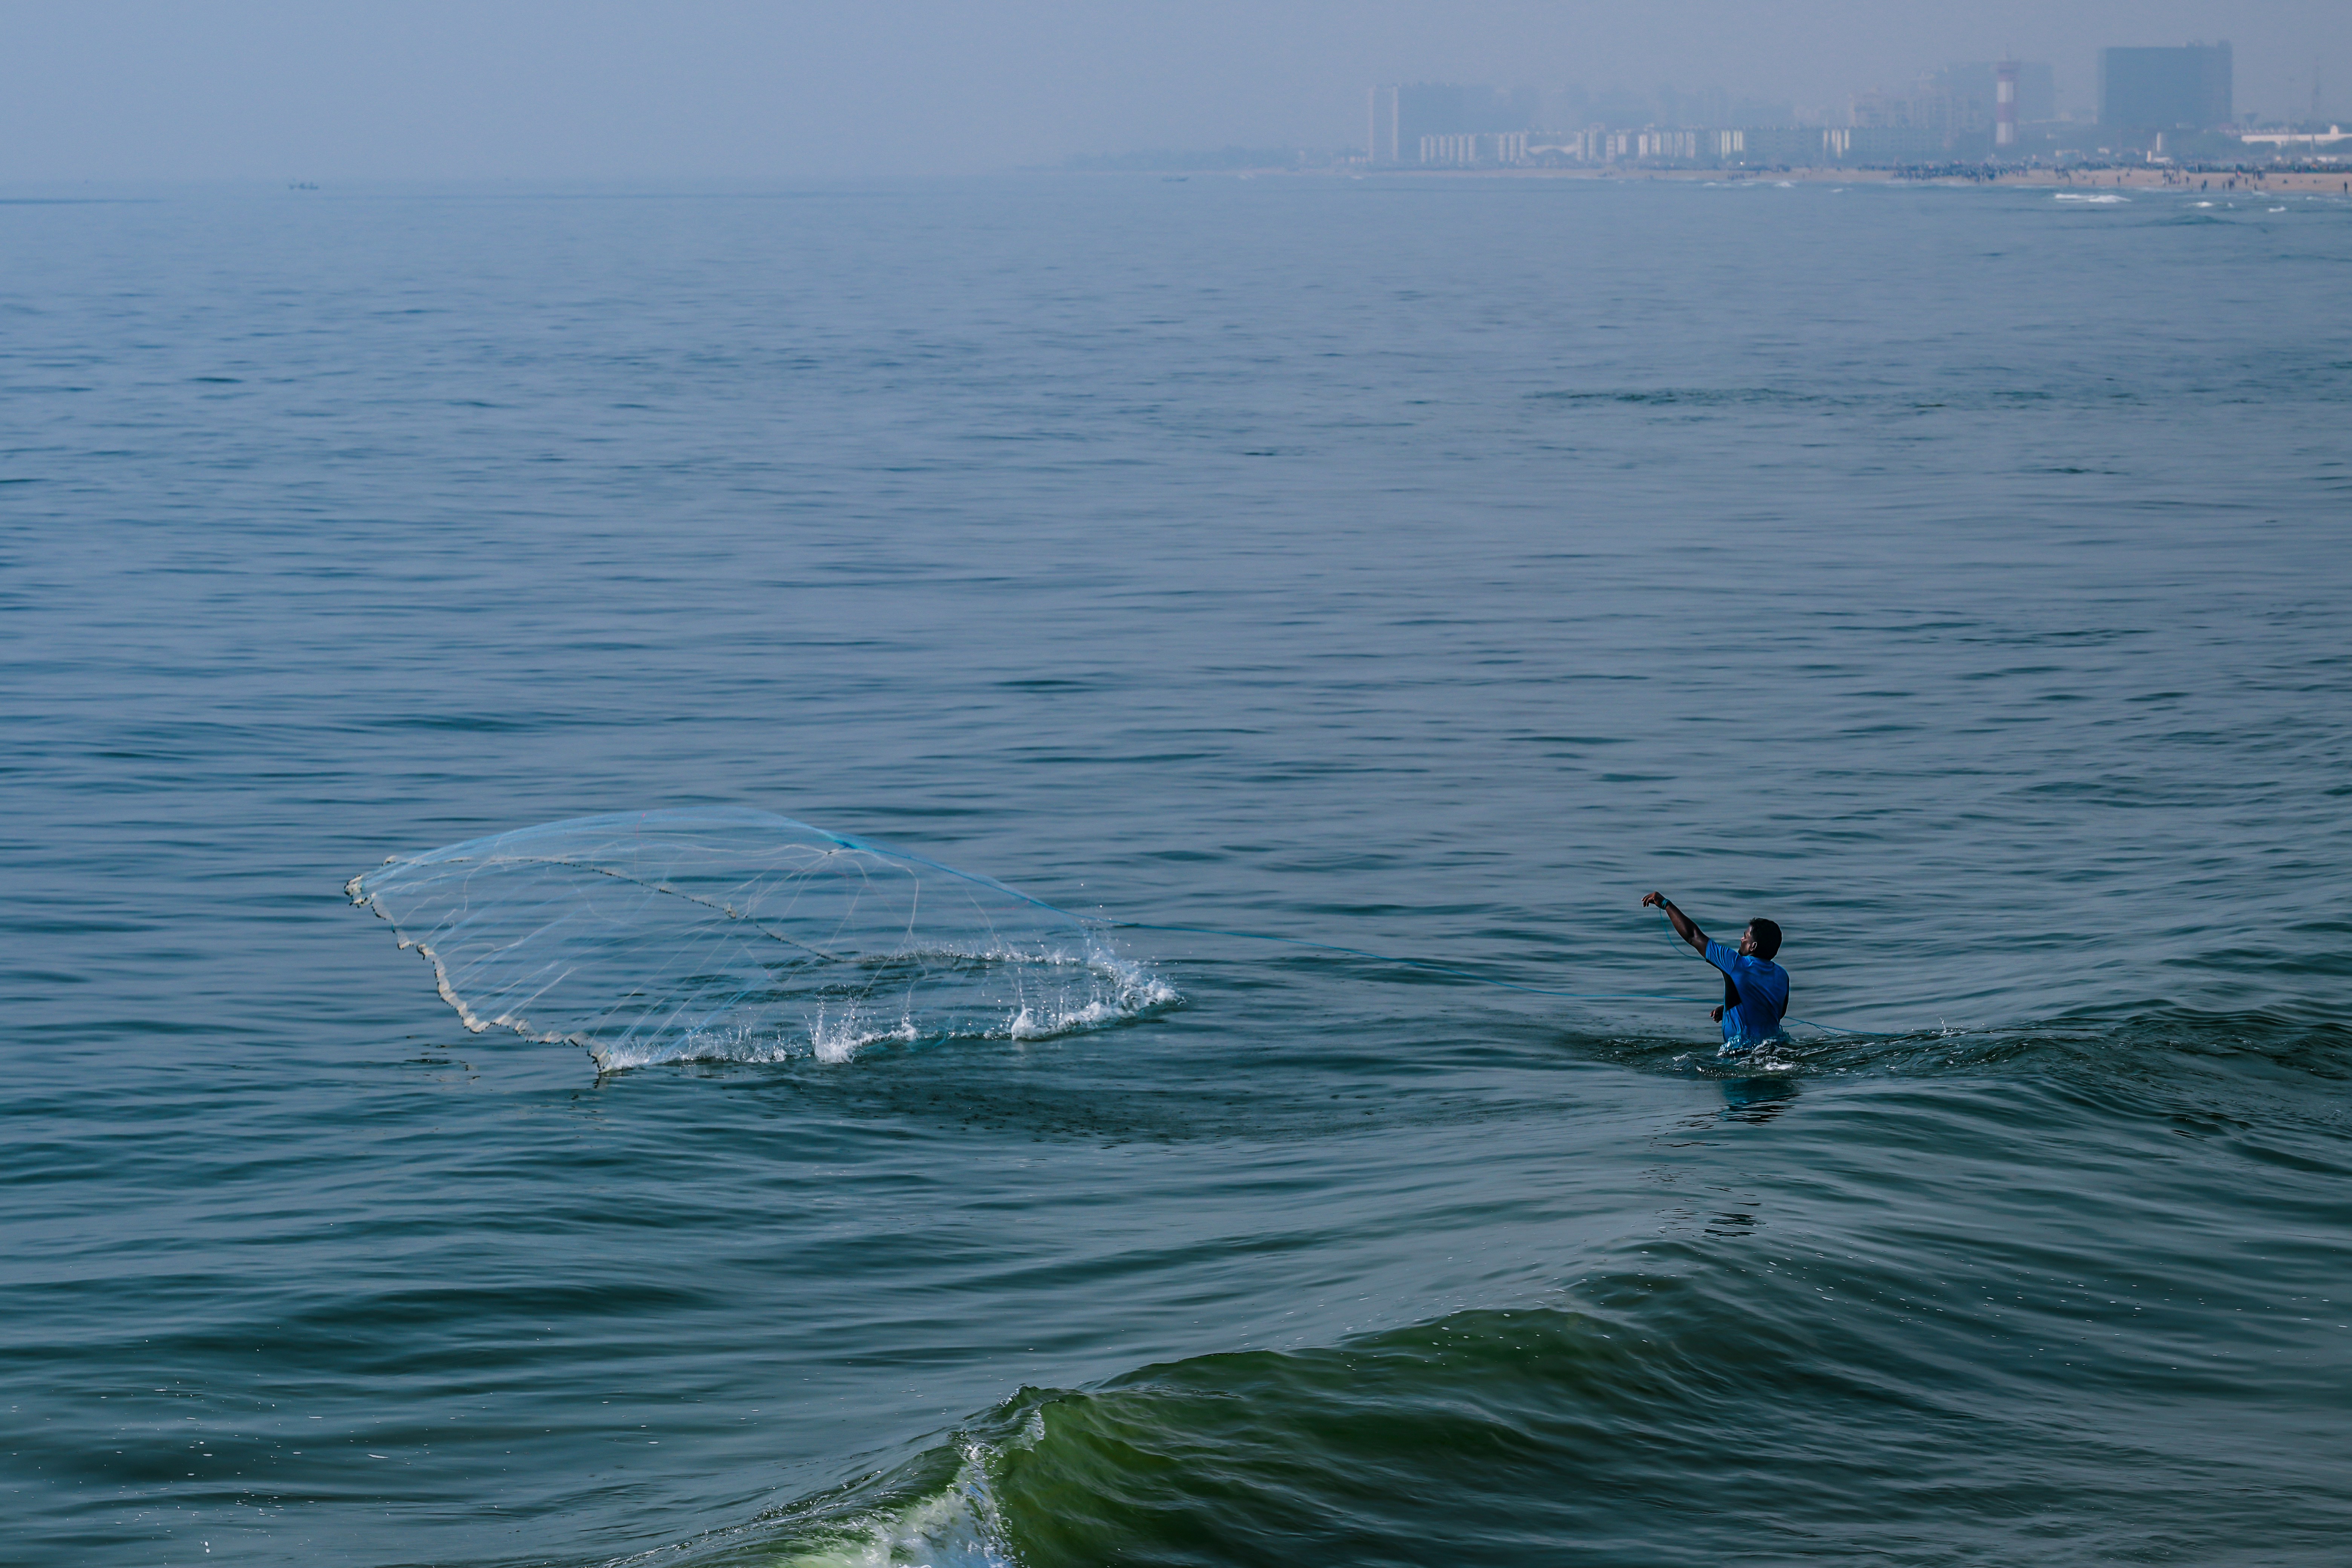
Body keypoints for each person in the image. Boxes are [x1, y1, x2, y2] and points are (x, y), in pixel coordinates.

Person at [1640, 893, 1788, 1052]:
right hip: (1775, 1047)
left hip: (1742, 1052)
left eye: (1746, 937)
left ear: (1753, 947)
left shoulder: (1736, 964)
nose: (1741, 939)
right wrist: (1730, 1007)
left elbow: (1693, 936)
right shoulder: (1782, 975)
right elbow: (1777, 1013)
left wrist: (1666, 904)